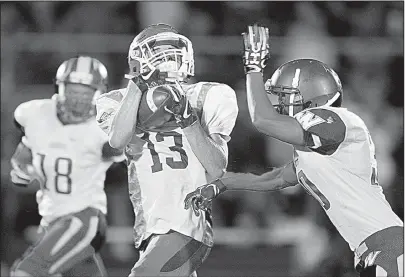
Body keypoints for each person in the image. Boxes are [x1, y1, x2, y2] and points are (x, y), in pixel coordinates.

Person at [184, 24, 404, 277]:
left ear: (313, 96)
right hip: (371, 248)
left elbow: (263, 121)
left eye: (286, 96)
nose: (280, 104)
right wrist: (221, 183)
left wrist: (254, 67)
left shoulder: (339, 122)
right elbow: (274, 178)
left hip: (387, 246)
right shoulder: (317, 152)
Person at [95, 23, 238, 277]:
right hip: (150, 227)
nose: (167, 59)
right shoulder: (116, 101)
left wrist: (188, 118)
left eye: (172, 52)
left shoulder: (208, 95)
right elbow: (117, 140)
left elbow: (217, 168)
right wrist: (137, 83)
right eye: (158, 53)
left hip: (187, 224)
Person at [10, 56, 124, 277]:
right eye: (73, 91)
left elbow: (118, 148)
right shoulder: (36, 114)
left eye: (86, 92)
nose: (78, 100)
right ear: (58, 87)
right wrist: (21, 169)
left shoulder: (102, 130)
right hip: (51, 222)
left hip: (83, 219)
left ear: (99, 94)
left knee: (27, 271)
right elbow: (24, 151)